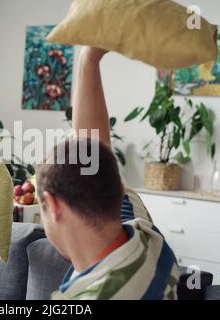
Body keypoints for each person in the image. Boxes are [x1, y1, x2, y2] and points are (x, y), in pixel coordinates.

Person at [36, 47, 180, 300]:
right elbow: (93, 149)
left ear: (53, 205)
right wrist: (89, 57)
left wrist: (89, 57)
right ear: (117, 189)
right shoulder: (148, 241)